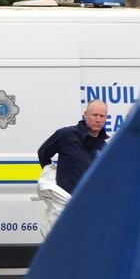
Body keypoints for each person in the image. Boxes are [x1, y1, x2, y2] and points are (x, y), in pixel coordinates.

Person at [36, 100, 108, 233]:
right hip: (64, 207)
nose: (98, 119)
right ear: (85, 115)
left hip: (89, 210)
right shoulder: (66, 135)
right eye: (94, 115)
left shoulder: (104, 148)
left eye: (102, 116)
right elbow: (43, 153)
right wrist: (51, 176)